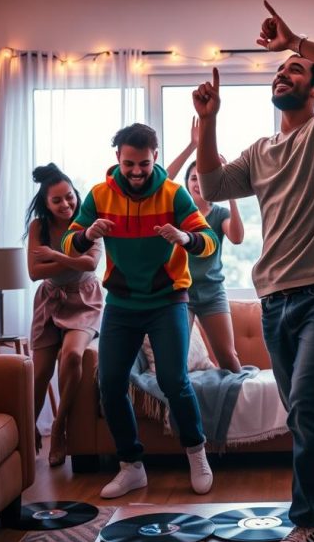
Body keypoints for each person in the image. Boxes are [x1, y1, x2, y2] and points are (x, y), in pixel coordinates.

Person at [192, 0, 314, 542]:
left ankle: (313, 523)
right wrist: (209, 120)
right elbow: (215, 183)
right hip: (274, 296)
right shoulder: (261, 151)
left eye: (294, 71)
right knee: (303, 405)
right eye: (280, 71)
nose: (284, 74)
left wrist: (296, 42)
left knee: (302, 399)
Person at [62, 122, 219, 499]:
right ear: (118, 158)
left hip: (167, 301)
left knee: (173, 380)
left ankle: (196, 453)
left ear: (155, 158)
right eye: (129, 163)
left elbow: (210, 241)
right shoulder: (100, 195)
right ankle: (131, 466)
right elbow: (70, 243)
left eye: (143, 164)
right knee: (110, 383)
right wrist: (88, 234)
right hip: (121, 303)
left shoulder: (173, 194)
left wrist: (186, 237)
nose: (136, 171)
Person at [24, 163, 104, 468]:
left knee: (71, 356)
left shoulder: (90, 223)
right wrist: (73, 260)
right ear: (46, 203)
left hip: (84, 300)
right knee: (39, 374)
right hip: (49, 301)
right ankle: (27, 429)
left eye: (69, 197)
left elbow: (90, 265)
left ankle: (59, 428)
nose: (65, 204)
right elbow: (34, 272)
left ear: (76, 194)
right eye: (56, 200)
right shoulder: (38, 228)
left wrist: (56, 256)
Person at [166, 117, 245, 373]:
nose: (197, 182)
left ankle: (240, 409)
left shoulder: (219, 213)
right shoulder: (177, 211)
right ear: (186, 184)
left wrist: (229, 190)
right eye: (192, 178)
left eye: (202, 177)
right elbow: (161, 180)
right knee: (176, 359)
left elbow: (237, 237)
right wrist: (192, 145)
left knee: (229, 358)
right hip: (181, 292)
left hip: (212, 292)